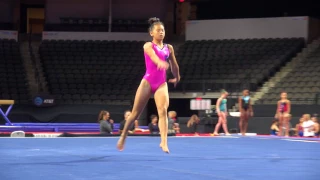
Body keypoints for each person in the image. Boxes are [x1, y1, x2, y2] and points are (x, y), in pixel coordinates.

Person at [117, 17, 180, 153]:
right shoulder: (148, 45)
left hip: (161, 84)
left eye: (162, 30)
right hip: (147, 82)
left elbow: (174, 65)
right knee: (134, 114)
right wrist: (159, 62)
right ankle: (123, 136)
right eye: (158, 30)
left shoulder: (169, 48)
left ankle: (163, 142)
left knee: (163, 111)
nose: (161, 32)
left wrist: (177, 76)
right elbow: (152, 56)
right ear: (152, 33)